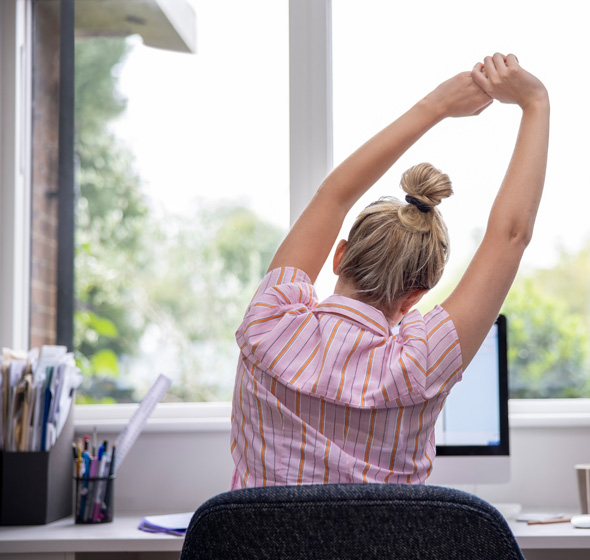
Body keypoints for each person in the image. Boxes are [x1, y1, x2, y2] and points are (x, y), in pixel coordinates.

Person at [229, 53, 549, 489]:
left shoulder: (270, 321)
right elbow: (510, 236)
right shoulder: (421, 362)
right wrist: (536, 102)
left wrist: (436, 105)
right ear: (416, 294)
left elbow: (333, 197)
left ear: (338, 255)